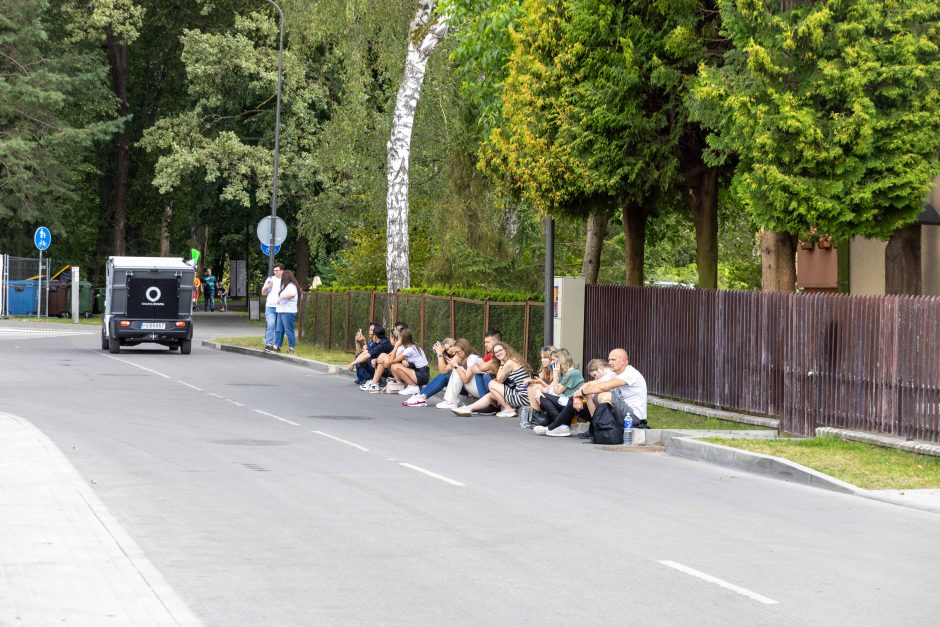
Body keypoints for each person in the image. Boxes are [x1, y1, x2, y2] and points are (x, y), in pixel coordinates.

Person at [535, 349, 647, 438]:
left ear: (624, 360)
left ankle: (554, 427)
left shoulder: (631, 373)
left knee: (604, 394)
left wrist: (581, 392)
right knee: (585, 396)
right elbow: (589, 384)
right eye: (609, 360)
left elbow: (604, 386)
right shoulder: (613, 373)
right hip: (619, 412)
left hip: (633, 417)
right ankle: (592, 429)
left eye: (613, 359)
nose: (609, 363)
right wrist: (577, 396)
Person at [452, 342, 529, 418]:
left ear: (506, 350)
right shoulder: (510, 360)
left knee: (491, 384)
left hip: (522, 397)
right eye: (496, 352)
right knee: (490, 394)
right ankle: (468, 408)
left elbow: (499, 381)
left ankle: (508, 409)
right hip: (521, 395)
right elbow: (474, 367)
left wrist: (501, 363)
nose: (498, 353)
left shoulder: (510, 363)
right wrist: (483, 371)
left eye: (500, 350)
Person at [530, 348, 586, 425]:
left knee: (541, 397)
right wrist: (539, 389)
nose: (551, 362)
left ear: (561, 360)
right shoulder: (564, 372)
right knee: (539, 393)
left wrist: (555, 374)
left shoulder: (572, 373)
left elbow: (557, 391)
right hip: (566, 400)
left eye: (554, 360)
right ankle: (554, 421)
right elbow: (550, 388)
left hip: (572, 403)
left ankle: (560, 423)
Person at [401, 338, 457, 407]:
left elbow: (443, 371)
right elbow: (443, 371)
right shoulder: (453, 357)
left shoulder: (459, 355)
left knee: (444, 376)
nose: (450, 350)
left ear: (456, 344)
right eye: (447, 349)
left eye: (451, 346)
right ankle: (419, 396)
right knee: (440, 376)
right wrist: (440, 353)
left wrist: (440, 354)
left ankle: (421, 398)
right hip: (460, 385)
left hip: (466, 387)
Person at [389, 328, 430, 396]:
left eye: (399, 337)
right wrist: (403, 359)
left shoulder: (410, 349)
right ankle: (410, 386)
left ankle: (413, 387)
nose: (398, 338)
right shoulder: (411, 346)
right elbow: (394, 358)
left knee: (394, 366)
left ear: (401, 338)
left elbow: (391, 361)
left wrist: (396, 346)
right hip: (421, 372)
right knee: (396, 365)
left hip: (422, 375)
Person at [270, 269, 300, 354]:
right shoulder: (285, 286)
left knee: (288, 330)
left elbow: (291, 294)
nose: (282, 278)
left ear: (287, 277)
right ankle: (277, 346)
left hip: (288, 311)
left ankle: (291, 348)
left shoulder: (291, 286)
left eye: (283, 277)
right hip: (281, 310)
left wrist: (281, 298)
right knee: (279, 329)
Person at [260, 263, 284, 351]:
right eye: (274, 271)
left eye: (277, 270)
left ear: (282, 271)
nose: (275, 272)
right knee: (270, 324)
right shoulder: (270, 279)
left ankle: (277, 345)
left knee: (279, 327)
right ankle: (269, 344)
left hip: (281, 307)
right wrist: (267, 287)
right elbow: (263, 293)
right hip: (270, 307)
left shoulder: (285, 280)